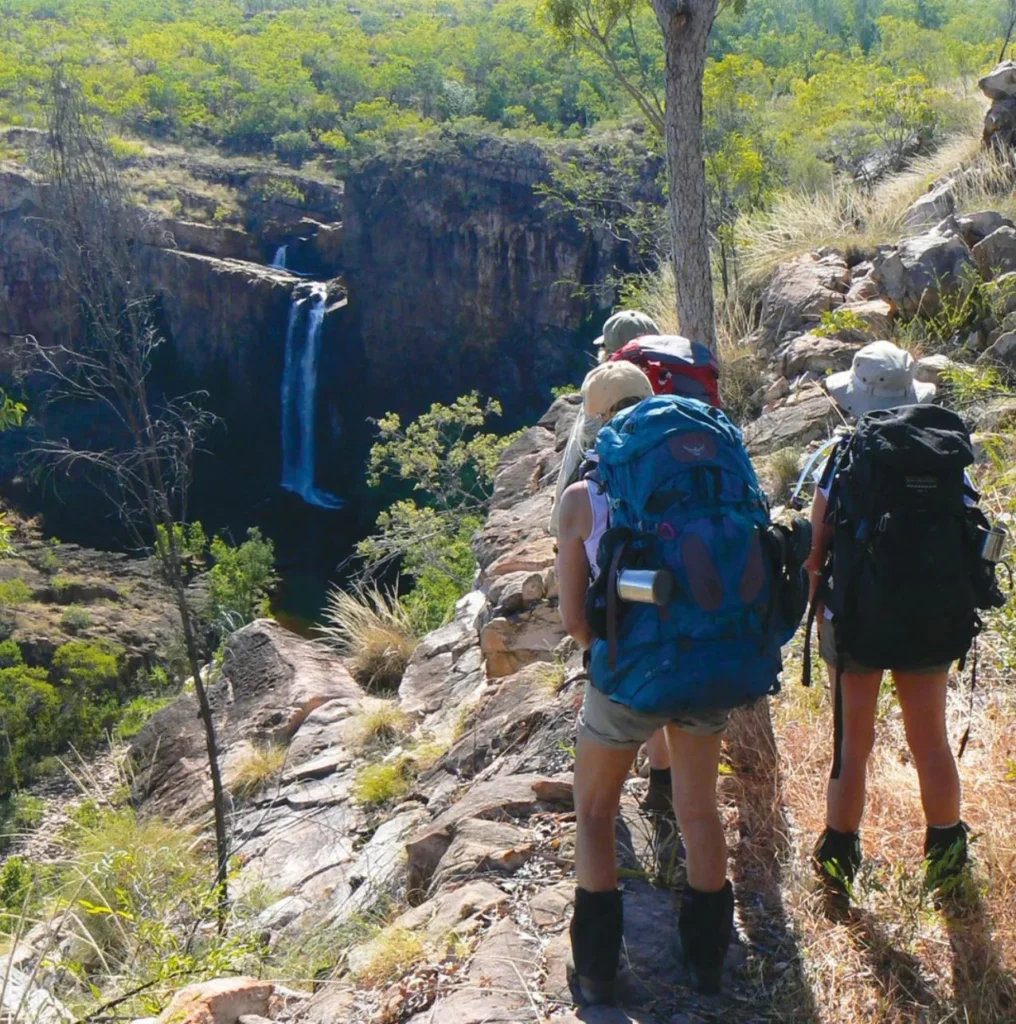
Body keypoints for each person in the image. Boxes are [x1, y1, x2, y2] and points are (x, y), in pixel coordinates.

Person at [557, 366, 800, 1005]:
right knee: (698, 811)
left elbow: (574, 617)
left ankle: (599, 972)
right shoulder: (707, 472)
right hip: (710, 663)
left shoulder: (584, 496)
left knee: (595, 812)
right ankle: (706, 963)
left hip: (627, 680)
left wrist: (602, 659)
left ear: (597, 420)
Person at [805, 341, 984, 911]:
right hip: (932, 615)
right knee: (930, 740)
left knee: (851, 747)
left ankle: (838, 858)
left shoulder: (842, 456)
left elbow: (817, 549)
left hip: (856, 618)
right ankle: (948, 858)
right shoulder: (945, 452)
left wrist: (812, 605)